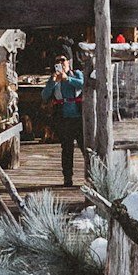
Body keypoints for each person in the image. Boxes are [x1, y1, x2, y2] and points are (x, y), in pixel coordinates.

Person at [50, 52, 87, 187]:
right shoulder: (54, 78)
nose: (61, 63)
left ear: (69, 62)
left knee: (85, 147)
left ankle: (91, 176)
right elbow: (45, 95)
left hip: (78, 117)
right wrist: (53, 81)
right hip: (64, 118)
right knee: (67, 149)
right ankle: (67, 178)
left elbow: (83, 84)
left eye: (63, 61)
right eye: (57, 62)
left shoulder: (76, 74)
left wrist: (67, 79)